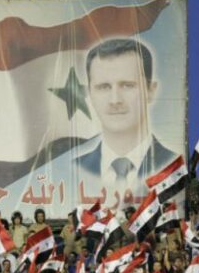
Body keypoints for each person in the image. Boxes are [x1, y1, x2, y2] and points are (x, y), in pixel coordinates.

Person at [73, 37, 176, 194]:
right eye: (104, 87)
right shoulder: (76, 168)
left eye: (127, 85)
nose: (115, 100)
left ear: (151, 91)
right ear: (90, 94)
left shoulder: (173, 166)